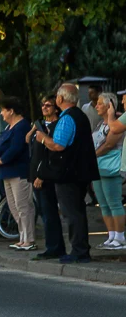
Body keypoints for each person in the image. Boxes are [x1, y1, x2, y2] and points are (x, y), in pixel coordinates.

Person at [34, 84, 100, 263]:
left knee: (71, 212)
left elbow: (58, 145)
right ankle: (81, 248)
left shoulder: (67, 118)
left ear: (60, 99)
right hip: (80, 171)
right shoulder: (80, 116)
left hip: (68, 173)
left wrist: (43, 138)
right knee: (77, 211)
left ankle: (79, 251)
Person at [0, 97, 35, 250]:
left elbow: (15, 148)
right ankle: (22, 237)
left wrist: (0, 160)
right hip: (6, 171)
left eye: (3, 110)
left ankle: (28, 239)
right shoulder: (9, 127)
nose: (1, 114)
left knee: (23, 205)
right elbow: (0, 146)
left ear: (11, 111)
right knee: (14, 206)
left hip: (18, 171)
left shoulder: (22, 126)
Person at [27, 96, 64, 260]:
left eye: (48, 105)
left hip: (46, 175)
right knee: (43, 212)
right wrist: (34, 129)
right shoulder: (41, 126)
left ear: (56, 108)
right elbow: (28, 140)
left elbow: (51, 154)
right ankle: (55, 246)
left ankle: (54, 247)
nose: (44, 108)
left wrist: (42, 175)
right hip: (35, 172)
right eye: (42, 105)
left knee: (49, 212)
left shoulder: (57, 126)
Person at [90, 93, 125, 249]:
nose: (96, 106)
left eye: (100, 103)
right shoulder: (99, 124)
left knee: (114, 202)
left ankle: (120, 237)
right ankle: (111, 236)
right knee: (103, 204)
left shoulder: (116, 123)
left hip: (110, 168)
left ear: (109, 105)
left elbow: (109, 144)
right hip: (98, 168)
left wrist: (91, 156)